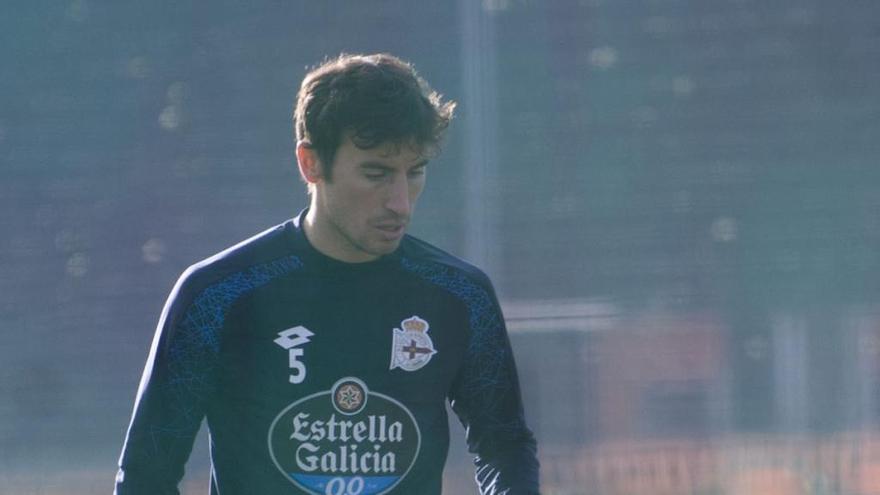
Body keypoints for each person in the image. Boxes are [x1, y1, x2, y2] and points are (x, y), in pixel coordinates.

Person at [115, 53, 539, 495]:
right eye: (376, 173)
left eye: (415, 172)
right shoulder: (217, 296)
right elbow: (147, 474)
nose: (400, 202)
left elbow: (504, 447)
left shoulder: (459, 295)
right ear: (310, 163)